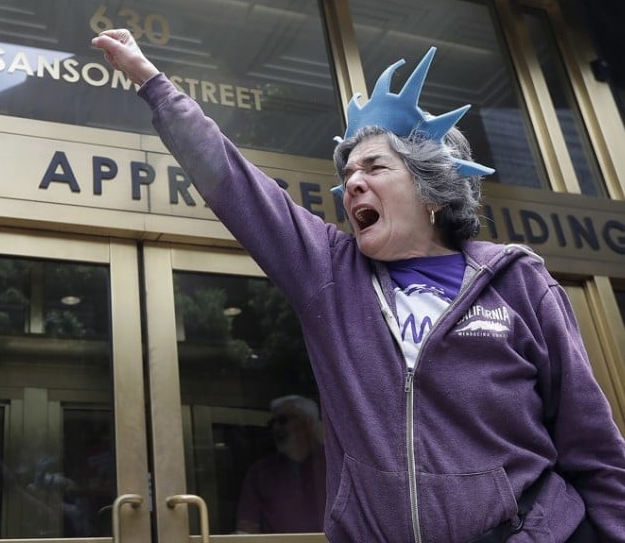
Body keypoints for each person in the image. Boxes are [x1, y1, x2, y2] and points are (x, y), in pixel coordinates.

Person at [91, 29, 625, 542]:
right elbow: (235, 184)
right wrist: (151, 81)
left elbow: (593, 445)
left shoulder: (516, 282)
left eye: (374, 167)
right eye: (347, 175)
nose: (352, 183)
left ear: (431, 190)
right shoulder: (330, 272)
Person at [235, 395, 327, 534]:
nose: (276, 428)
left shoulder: (334, 465)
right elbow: (246, 530)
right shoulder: (260, 472)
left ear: (306, 423)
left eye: (283, 420)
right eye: (273, 423)